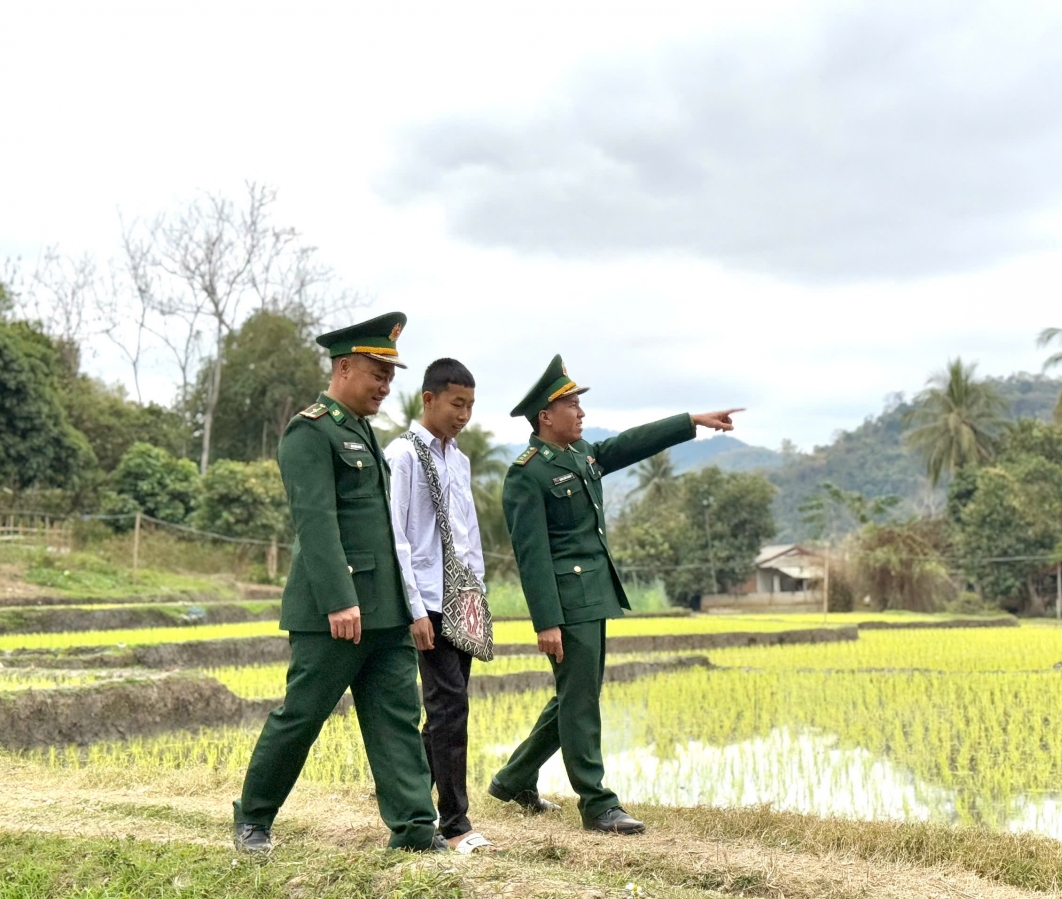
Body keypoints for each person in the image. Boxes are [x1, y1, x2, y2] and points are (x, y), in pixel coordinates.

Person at [488, 354, 740, 834]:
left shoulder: (583, 456)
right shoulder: (528, 474)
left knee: (574, 695)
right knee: (580, 700)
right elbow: (532, 555)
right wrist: (546, 621)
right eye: (571, 405)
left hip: (595, 594)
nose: (581, 413)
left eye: (581, 406)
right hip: (567, 602)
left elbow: (630, 444)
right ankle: (598, 803)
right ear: (545, 415)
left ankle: (513, 779)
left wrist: (690, 421)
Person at [233, 312, 443, 853]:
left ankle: (416, 829)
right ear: (344, 367)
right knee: (302, 716)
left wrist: (411, 606)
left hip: (387, 610)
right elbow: (316, 522)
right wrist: (339, 600)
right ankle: (253, 819)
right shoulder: (311, 430)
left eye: (390, 376)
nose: (385, 386)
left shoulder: (363, 433)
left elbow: (387, 530)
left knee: (397, 720)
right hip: (337, 612)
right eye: (377, 373)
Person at [384, 358, 496, 855]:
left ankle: (416, 802)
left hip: (461, 599)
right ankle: (455, 824)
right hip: (425, 599)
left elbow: (468, 536)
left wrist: (478, 595)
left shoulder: (460, 459)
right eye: (457, 404)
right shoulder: (403, 455)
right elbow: (398, 536)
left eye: (470, 405)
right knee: (449, 706)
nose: (464, 415)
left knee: (447, 709)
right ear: (428, 399)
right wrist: (414, 610)